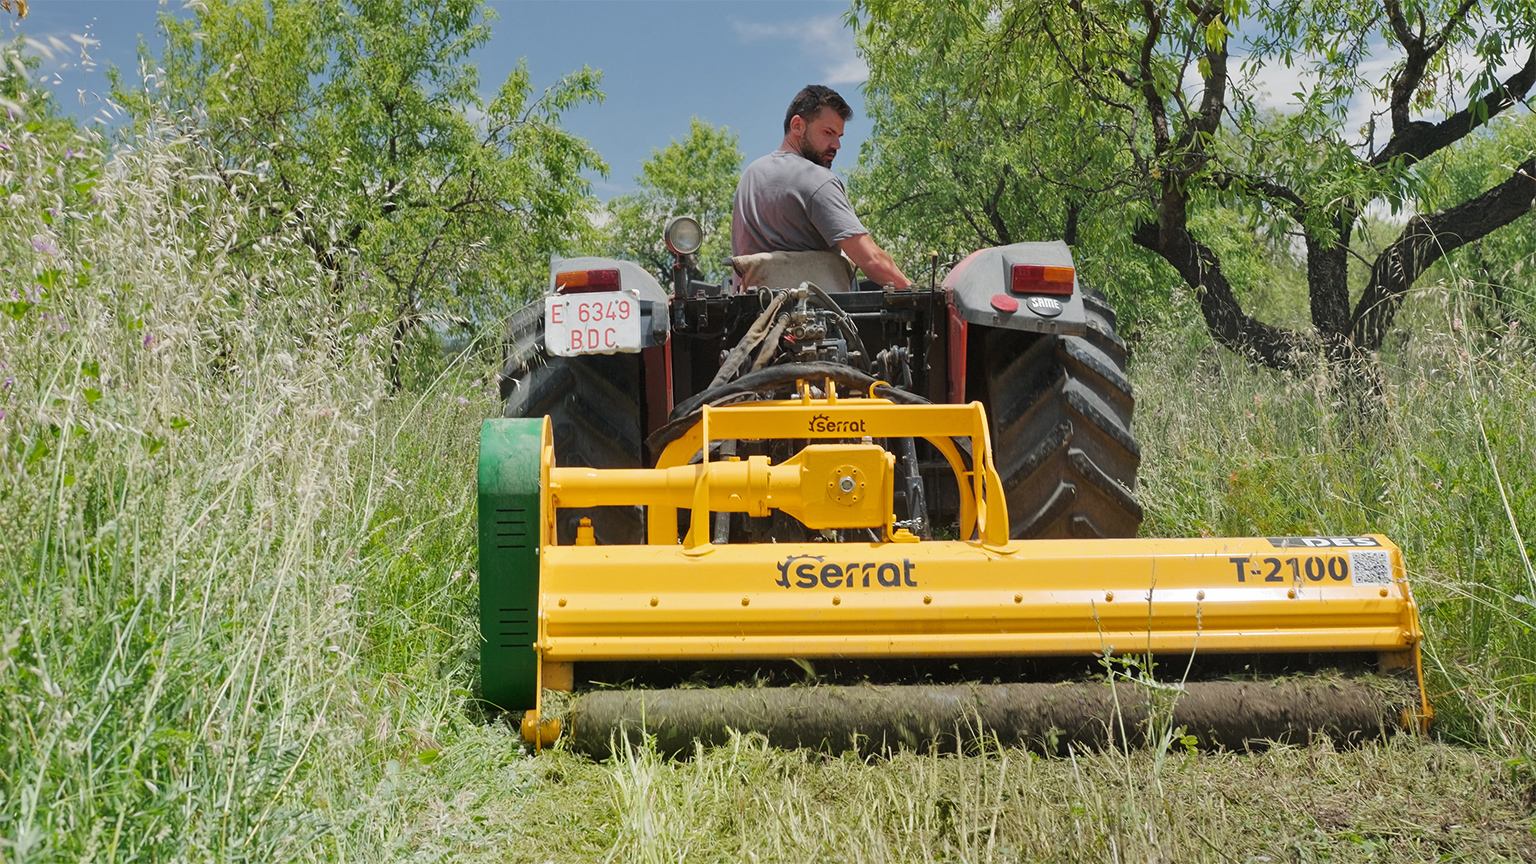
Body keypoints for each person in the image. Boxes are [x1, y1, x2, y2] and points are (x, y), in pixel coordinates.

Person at [731, 85, 911, 289]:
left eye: (839, 136)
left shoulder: (749, 176)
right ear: (798, 125)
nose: (837, 145)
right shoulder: (815, 178)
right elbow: (872, 260)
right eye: (828, 132)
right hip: (811, 315)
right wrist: (919, 295)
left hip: (749, 314)